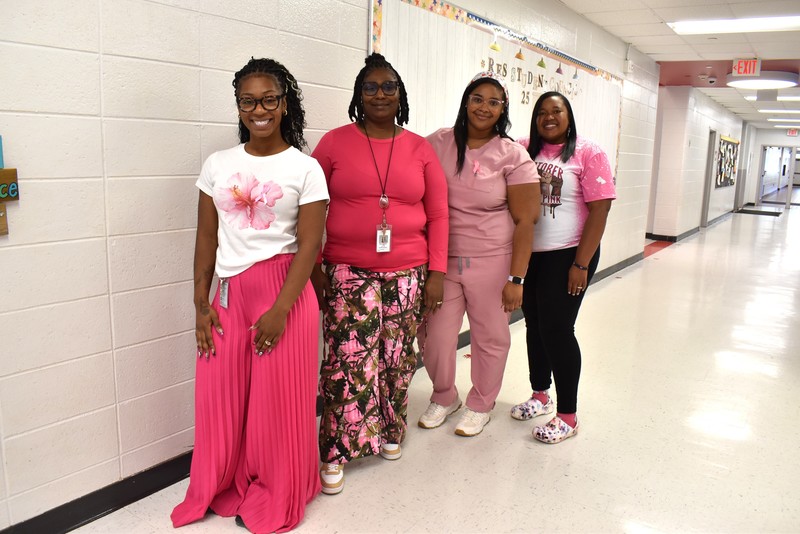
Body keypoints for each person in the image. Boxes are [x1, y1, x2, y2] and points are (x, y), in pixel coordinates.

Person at [171, 58, 328, 532]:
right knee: (221, 396)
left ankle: (280, 486)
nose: (258, 109)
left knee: (277, 404)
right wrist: (201, 306)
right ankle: (229, 480)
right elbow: (205, 239)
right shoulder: (218, 164)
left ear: (284, 103)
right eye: (248, 100)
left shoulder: (306, 168)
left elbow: (309, 247)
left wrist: (281, 309)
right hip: (229, 293)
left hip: (286, 291)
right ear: (238, 105)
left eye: (268, 99)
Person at [311, 53, 448, 495]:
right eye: (370, 87)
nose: (381, 94)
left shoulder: (419, 149)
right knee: (348, 362)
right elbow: (310, 210)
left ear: (401, 95)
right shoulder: (333, 144)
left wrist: (437, 274)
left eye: (389, 86)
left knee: (396, 356)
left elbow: (440, 215)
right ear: (358, 95)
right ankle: (337, 451)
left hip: (410, 271)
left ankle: (390, 431)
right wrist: (313, 266)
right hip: (348, 272)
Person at [418, 72, 540, 437]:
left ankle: (481, 403)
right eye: (477, 98)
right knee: (435, 335)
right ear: (465, 101)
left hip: (492, 261)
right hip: (441, 261)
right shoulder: (437, 143)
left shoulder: (513, 155)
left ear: (503, 110)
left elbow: (526, 221)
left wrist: (516, 278)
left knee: (490, 337)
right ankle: (444, 395)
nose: (484, 107)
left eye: (494, 102)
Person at [511, 91, 616, 444]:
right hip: (531, 254)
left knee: (557, 329)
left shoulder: (589, 152)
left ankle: (568, 416)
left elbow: (600, 210)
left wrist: (581, 264)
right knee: (535, 325)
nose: (549, 117)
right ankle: (540, 394)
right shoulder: (525, 148)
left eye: (556, 111)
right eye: (542, 112)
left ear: (568, 116)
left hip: (570, 254)